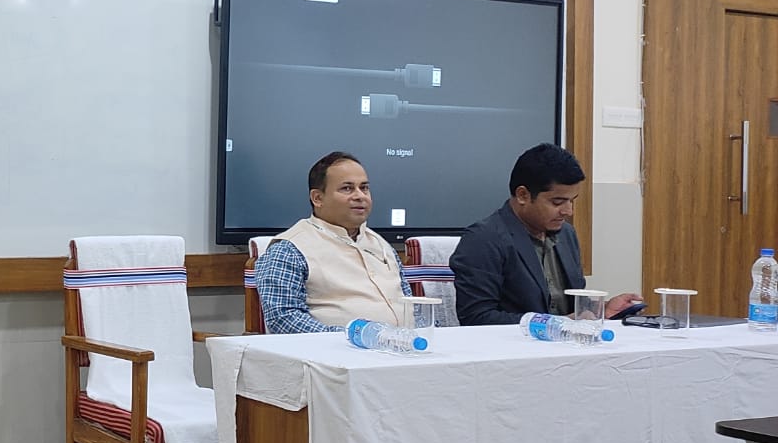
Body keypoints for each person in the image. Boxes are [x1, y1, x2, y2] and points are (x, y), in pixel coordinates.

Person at [451, 143, 643, 325]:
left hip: (566, 345)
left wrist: (601, 309)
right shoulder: (483, 240)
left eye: (572, 201)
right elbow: (477, 318)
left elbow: (568, 308)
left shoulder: (566, 234)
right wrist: (556, 323)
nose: (568, 211)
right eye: (557, 202)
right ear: (523, 195)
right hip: (514, 347)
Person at [256, 151, 412, 334]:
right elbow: (283, 319)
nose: (360, 196)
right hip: (335, 350)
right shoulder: (289, 249)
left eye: (364, 188)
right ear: (317, 198)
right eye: (347, 188)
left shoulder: (382, 245)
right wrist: (353, 338)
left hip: (406, 346)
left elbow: (411, 306)